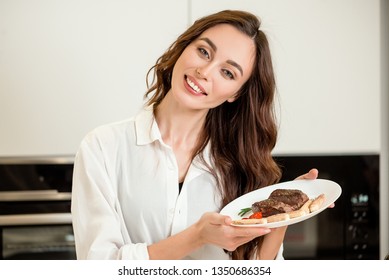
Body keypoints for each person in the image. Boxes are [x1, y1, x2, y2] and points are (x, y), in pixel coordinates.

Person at [71, 9, 319, 260]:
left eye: (228, 72)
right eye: (203, 51)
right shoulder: (102, 147)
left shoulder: (244, 163)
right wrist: (198, 236)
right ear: (184, 47)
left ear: (236, 93)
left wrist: (287, 214)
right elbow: (97, 265)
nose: (205, 71)